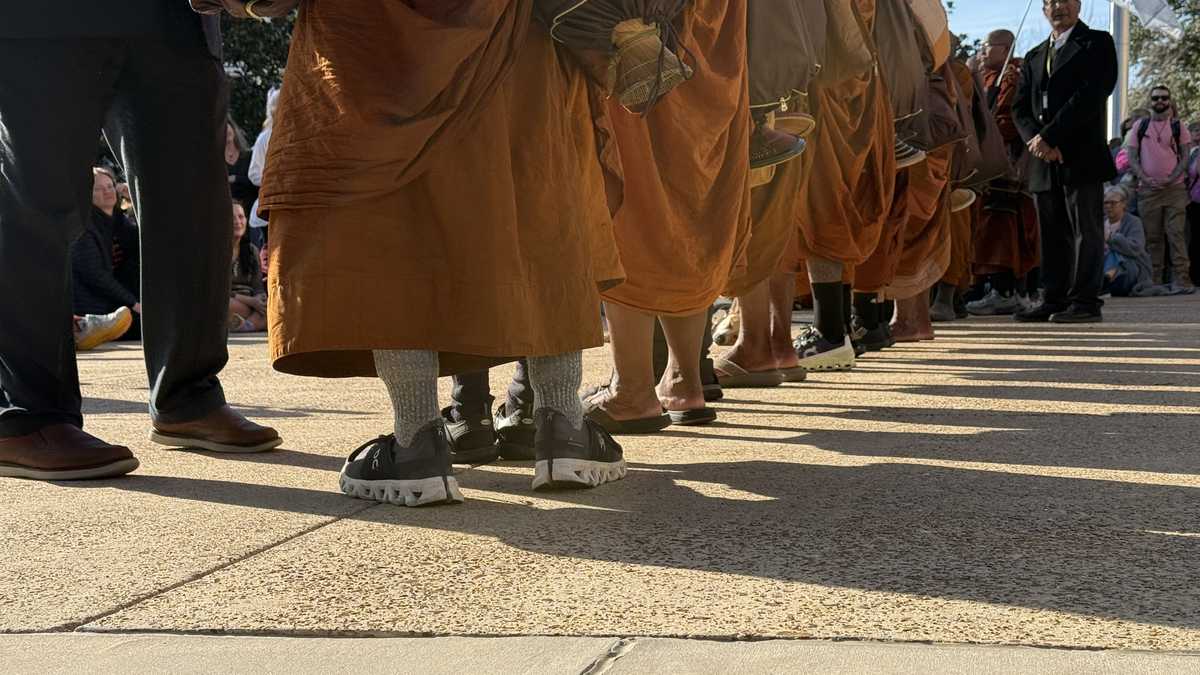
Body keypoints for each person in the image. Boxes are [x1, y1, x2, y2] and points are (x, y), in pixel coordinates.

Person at [257, 0, 627, 505]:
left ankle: (416, 443)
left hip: (375, 30)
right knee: (538, 200)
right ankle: (564, 429)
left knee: (395, 219)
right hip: (521, 29)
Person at [0, 3, 282, 481]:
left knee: (195, 204)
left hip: (174, 14)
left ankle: (188, 395)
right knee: (35, 196)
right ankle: (27, 414)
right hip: (37, 15)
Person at [586, 0, 751, 432]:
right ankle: (684, 381)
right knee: (694, 213)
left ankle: (633, 390)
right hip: (716, 72)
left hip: (646, 59)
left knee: (635, 218)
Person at [1012, 0, 1118, 323]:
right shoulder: (1033, 56)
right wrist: (1038, 141)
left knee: (1086, 230)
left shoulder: (1097, 43)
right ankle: (1052, 297)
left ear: (1079, 5)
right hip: (1043, 159)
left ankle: (1085, 301)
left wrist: (1052, 136)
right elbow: (1019, 107)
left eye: (1066, 0)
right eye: (1051, 2)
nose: (1059, 7)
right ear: (1044, 9)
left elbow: (1092, 93)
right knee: (1051, 231)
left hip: (1080, 154)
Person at [966, 29, 1041, 317]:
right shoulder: (989, 76)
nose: (982, 53)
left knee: (1003, 227)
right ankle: (993, 287)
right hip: (988, 162)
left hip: (1006, 162)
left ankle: (1005, 290)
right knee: (987, 226)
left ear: (1005, 48)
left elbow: (1007, 121)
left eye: (987, 47)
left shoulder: (1014, 76)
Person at [1124, 85, 1194, 288]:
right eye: (1156, 98)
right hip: (1148, 191)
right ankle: (1154, 279)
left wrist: (1172, 177)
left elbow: (1185, 156)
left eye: (1164, 98)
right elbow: (1132, 157)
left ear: (1170, 101)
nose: (1160, 101)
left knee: (1176, 234)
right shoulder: (1140, 126)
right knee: (1152, 237)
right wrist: (1144, 178)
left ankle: (1182, 278)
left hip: (1175, 189)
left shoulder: (1179, 126)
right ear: (1150, 101)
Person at [72, 168, 142, 328]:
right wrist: (134, 304)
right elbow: (96, 275)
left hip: (117, 303)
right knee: (152, 326)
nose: (107, 192)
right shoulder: (82, 226)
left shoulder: (118, 220)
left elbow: (144, 242)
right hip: (94, 308)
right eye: (98, 188)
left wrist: (133, 197)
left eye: (110, 186)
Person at [1101, 186, 1151, 297]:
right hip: (1102, 265)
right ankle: (1105, 281)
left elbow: (1136, 248)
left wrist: (1110, 238)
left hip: (1129, 268)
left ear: (1124, 204)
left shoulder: (1134, 222)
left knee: (1116, 252)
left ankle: (1106, 280)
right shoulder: (1099, 222)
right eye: (1106, 203)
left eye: (1113, 203)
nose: (1108, 206)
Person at [228, 202, 267, 333]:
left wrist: (261, 301)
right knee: (225, 305)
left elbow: (258, 287)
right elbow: (218, 290)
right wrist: (251, 302)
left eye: (241, 217)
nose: (237, 222)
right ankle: (253, 322)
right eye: (232, 217)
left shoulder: (252, 250)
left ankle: (244, 326)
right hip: (232, 301)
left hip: (252, 303)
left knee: (274, 307)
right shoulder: (215, 252)